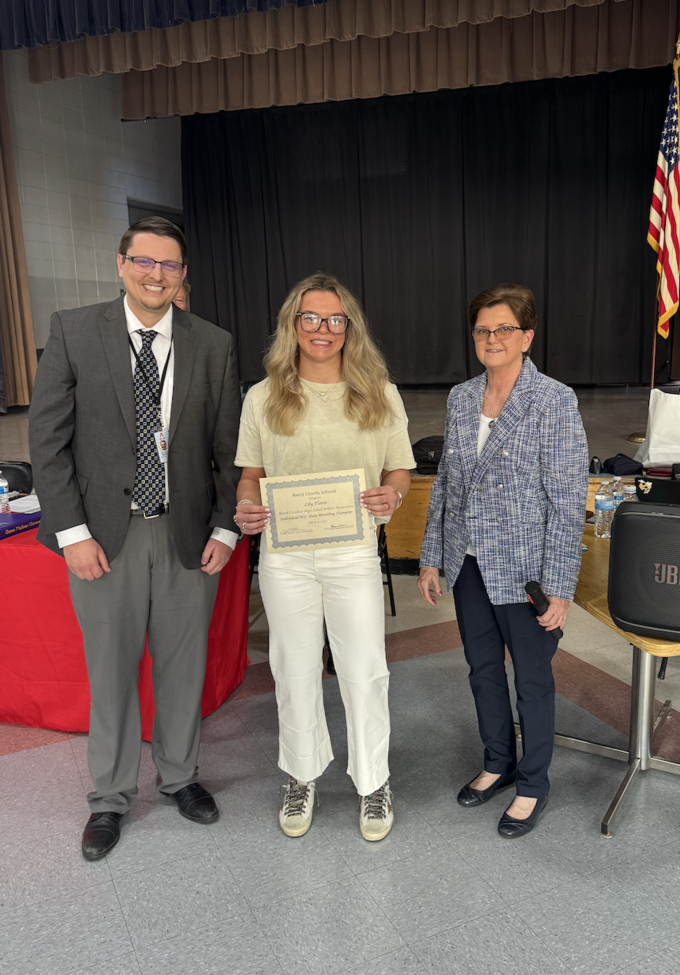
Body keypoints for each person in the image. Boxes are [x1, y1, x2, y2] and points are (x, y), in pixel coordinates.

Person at [28, 217, 241, 860]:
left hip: (186, 536)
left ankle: (179, 777)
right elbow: (48, 442)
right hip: (102, 540)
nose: (155, 274)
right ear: (120, 264)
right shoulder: (73, 330)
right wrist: (71, 532)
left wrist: (228, 526)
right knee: (111, 671)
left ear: (183, 277)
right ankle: (111, 799)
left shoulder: (213, 344)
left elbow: (233, 452)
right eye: (143, 262)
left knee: (183, 667)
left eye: (168, 265)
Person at [234, 272, 415, 842]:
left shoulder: (379, 392)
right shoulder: (263, 396)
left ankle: (373, 782)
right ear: (293, 324)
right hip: (286, 556)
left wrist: (395, 493)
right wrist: (246, 511)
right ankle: (301, 775)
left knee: (364, 671)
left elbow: (399, 470)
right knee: (292, 670)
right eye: (310, 318)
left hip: (353, 553)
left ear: (349, 328)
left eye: (334, 320)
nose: (322, 330)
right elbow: (250, 478)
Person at [418, 284, 588, 838]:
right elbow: (445, 485)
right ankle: (499, 762)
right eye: (483, 331)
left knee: (533, 680)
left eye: (504, 329)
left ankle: (534, 782)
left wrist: (560, 587)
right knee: (484, 670)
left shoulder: (554, 399)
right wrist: (431, 557)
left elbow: (567, 501)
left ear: (527, 336)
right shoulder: (461, 397)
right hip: (468, 564)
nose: (492, 339)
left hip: (528, 570)